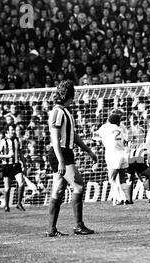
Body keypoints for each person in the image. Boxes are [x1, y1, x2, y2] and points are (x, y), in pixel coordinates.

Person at [46, 80, 98, 237]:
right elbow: (55, 138)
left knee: (58, 191)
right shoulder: (57, 112)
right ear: (70, 95)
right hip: (60, 153)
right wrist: (61, 160)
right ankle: (78, 226)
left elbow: (72, 136)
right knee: (79, 186)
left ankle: (51, 229)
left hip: (65, 152)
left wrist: (88, 150)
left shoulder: (65, 111)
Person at [96, 112, 131, 205]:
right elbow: (126, 140)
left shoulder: (105, 128)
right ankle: (127, 198)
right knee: (123, 178)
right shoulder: (120, 129)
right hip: (123, 154)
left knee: (112, 179)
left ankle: (119, 199)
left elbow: (96, 135)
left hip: (113, 154)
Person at [0, 124, 27, 212]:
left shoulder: (17, 140)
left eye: (14, 130)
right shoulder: (3, 141)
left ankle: (19, 204)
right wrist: (7, 155)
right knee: (7, 187)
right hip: (7, 165)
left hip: (16, 165)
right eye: (11, 130)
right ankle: (6, 206)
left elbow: (20, 154)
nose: (13, 131)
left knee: (21, 182)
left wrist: (24, 165)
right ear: (7, 131)